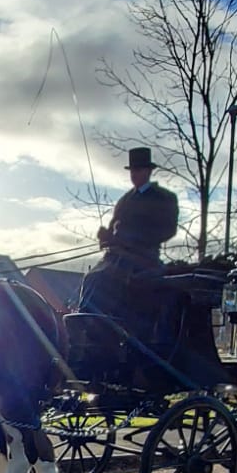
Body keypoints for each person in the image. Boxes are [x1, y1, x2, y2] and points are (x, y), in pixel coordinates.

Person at [78, 146, 180, 341]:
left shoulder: (164, 198)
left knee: (102, 278)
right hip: (116, 257)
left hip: (144, 257)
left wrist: (134, 240)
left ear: (148, 171)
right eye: (132, 170)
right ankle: (87, 324)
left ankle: (102, 328)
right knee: (92, 277)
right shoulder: (124, 200)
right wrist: (106, 236)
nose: (134, 174)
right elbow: (114, 227)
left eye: (138, 170)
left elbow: (168, 229)